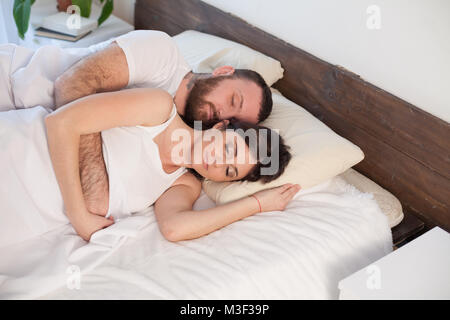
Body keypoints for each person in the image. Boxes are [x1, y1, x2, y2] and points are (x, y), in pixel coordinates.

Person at [0, 30, 274, 222]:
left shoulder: (187, 156)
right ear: (223, 72)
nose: (221, 112)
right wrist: (95, 194)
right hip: (14, 84)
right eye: (232, 99)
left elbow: (175, 220)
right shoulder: (162, 56)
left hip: (32, 140)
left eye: (234, 117)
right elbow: (71, 85)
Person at [0, 88, 296, 246]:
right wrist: (78, 213)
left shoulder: (183, 184)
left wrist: (256, 204)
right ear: (220, 126)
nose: (219, 162)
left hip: (21, 215)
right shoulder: (159, 110)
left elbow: (174, 228)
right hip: (17, 152)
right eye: (229, 147)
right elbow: (61, 122)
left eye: (230, 171)